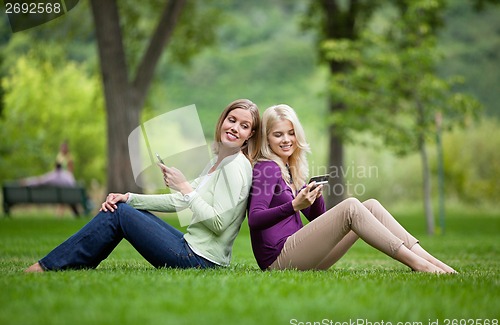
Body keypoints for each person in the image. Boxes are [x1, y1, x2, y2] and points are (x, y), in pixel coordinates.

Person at [25, 99, 261, 272]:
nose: (234, 128)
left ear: (249, 135)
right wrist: (129, 197)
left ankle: (49, 266)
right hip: (193, 249)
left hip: (200, 260)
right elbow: (180, 201)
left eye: (243, 125)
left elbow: (219, 224)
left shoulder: (234, 166)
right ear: (222, 121)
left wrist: (185, 188)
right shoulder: (218, 162)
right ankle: (70, 263)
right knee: (122, 208)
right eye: (232, 120)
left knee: (118, 215)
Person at [247, 104, 456, 274]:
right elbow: (255, 220)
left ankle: (432, 261)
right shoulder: (267, 168)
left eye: (291, 133)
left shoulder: (289, 169)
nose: (286, 140)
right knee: (351, 207)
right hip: (278, 260)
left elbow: (318, 219)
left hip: (301, 255)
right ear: (267, 138)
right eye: (278, 135)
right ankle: (419, 265)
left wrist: (315, 197)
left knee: (371, 206)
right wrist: (294, 206)